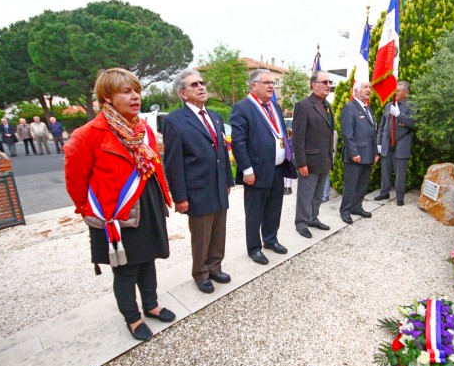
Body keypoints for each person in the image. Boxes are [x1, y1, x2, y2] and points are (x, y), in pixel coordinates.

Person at [64, 68, 175, 342]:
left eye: (136, 90)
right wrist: (89, 214)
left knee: (148, 261)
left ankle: (151, 305)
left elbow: (155, 168)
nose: (135, 96)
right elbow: (75, 181)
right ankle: (133, 317)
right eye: (126, 91)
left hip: (147, 207)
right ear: (107, 97)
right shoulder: (88, 134)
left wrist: (165, 197)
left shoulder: (143, 128)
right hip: (116, 215)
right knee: (126, 270)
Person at [163, 69, 234, 294]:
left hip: (218, 186)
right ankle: (201, 273)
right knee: (201, 236)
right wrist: (180, 197)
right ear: (183, 94)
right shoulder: (174, 121)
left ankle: (215, 267)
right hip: (197, 190)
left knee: (218, 232)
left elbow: (222, 150)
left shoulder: (215, 117)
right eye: (194, 85)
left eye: (202, 83)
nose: (201, 87)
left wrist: (228, 180)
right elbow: (173, 163)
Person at [230, 70, 297, 265]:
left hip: (277, 167)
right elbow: (238, 142)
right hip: (256, 171)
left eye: (272, 83)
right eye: (266, 83)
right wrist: (247, 170)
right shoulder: (242, 108)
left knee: (274, 207)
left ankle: (270, 239)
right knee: (254, 212)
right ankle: (254, 248)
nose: (271, 86)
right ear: (253, 85)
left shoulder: (274, 106)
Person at [292, 70, 335, 238]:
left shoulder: (326, 105)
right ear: (313, 85)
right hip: (309, 161)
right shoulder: (303, 106)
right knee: (306, 194)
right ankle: (301, 222)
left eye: (329, 82)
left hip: (325, 159)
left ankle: (313, 217)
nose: (328, 85)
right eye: (324, 82)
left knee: (318, 194)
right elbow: (297, 138)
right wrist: (301, 163)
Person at [339, 81, 379, 224]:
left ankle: (357, 207)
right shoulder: (349, 108)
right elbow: (347, 134)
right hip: (355, 156)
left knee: (362, 184)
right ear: (356, 91)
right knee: (351, 184)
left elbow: (373, 133)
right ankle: (345, 210)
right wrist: (354, 153)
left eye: (369, 87)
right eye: (365, 87)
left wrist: (375, 152)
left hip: (368, 154)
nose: (369, 90)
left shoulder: (368, 109)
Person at [375, 81, 416, 206]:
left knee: (400, 173)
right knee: (385, 171)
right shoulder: (389, 106)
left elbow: (413, 123)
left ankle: (399, 197)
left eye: (398, 90)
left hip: (402, 143)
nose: (395, 93)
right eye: (395, 90)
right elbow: (382, 126)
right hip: (387, 142)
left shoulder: (411, 106)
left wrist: (398, 114)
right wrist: (379, 142)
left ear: (406, 92)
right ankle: (384, 192)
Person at [284, 129, 294, 195]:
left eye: (288, 134)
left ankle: (289, 188)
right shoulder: (284, 141)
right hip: (284, 159)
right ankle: (284, 188)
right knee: (284, 175)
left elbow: (292, 150)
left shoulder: (291, 141)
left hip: (290, 159)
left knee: (289, 175)